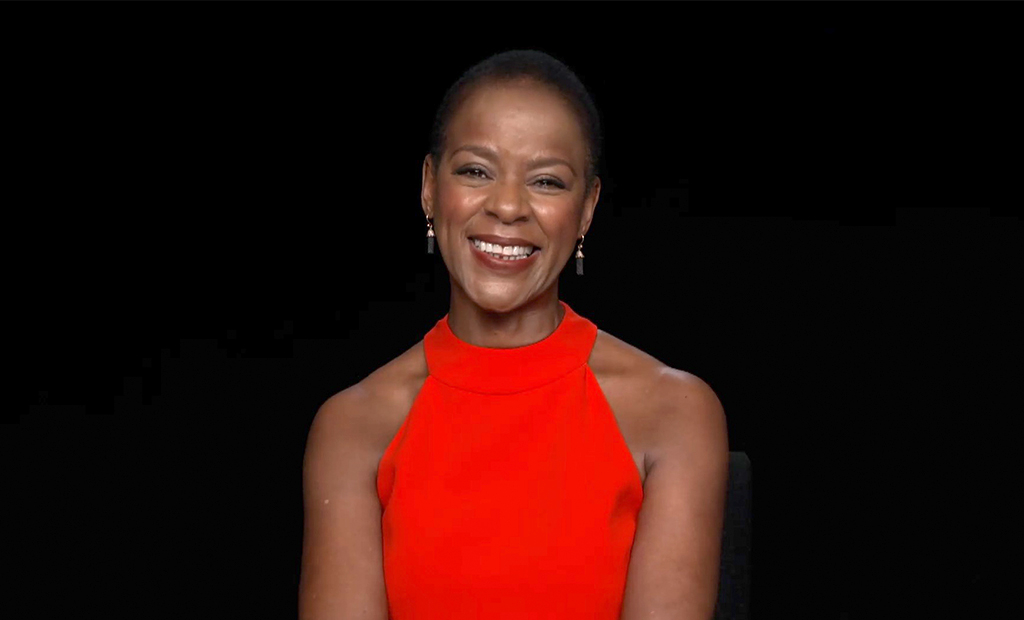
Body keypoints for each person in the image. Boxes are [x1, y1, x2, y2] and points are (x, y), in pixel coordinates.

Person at [298, 49, 729, 620]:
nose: (506, 207)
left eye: (547, 181)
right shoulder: (352, 426)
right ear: (429, 187)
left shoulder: (674, 412)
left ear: (587, 210)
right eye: (475, 171)